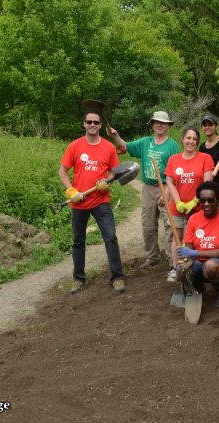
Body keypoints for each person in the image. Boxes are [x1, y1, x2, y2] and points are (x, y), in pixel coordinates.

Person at [59, 112, 126, 294]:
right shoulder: (74, 146)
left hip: (100, 200)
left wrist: (108, 181)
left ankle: (117, 277)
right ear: (84, 124)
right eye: (89, 122)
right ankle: (78, 279)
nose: (92, 125)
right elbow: (62, 171)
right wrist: (70, 190)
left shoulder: (108, 147)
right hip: (79, 202)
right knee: (78, 241)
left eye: (96, 122)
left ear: (99, 125)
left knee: (110, 237)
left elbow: (115, 172)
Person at [110, 111, 179, 269]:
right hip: (148, 188)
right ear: (152, 125)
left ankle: (171, 258)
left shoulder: (173, 145)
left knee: (170, 225)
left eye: (162, 122)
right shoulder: (145, 142)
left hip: (165, 187)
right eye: (156, 122)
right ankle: (152, 257)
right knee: (148, 224)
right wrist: (115, 135)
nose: (159, 125)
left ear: (168, 125)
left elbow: (174, 171)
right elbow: (125, 146)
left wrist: (167, 191)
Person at [177, 181, 219, 308]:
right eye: (203, 200)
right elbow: (189, 248)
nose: (206, 204)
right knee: (181, 269)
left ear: (218, 200)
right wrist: (184, 262)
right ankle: (196, 289)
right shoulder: (193, 219)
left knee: (211, 265)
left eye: (210, 200)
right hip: (199, 264)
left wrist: (195, 253)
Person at [164, 127, 214, 282]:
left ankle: (193, 268)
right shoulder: (174, 159)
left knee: (194, 240)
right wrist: (178, 201)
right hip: (177, 208)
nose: (191, 141)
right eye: (188, 138)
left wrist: (194, 201)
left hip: (198, 208)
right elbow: (170, 182)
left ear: (197, 141)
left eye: (194, 139)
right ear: (182, 139)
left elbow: (207, 182)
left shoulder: (205, 158)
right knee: (177, 239)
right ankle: (175, 268)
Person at [199, 114, 219, 211]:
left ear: (216, 126)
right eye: (205, 125)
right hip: (209, 186)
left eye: (210, 124)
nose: (207, 127)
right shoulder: (202, 147)